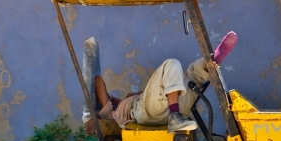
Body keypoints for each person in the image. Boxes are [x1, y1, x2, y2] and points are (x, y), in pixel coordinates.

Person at [90, 31, 237, 133]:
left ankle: (213, 60)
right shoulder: (109, 113)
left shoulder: (124, 103)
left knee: (192, 75)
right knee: (171, 64)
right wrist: (110, 100)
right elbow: (98, 80)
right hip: (143, 112)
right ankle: (175, 116)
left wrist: (122, 98)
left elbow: (147, 96)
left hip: (165, 107)